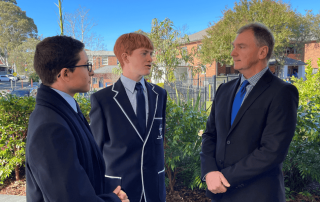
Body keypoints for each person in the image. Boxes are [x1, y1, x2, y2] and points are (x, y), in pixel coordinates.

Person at [200, 23, 299, 202]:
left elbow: (272, 151)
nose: (233, 53)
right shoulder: (224, 89)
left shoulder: (282, 92)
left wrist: (224, 177)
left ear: (262, 52)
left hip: (258, 195)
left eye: (241, 47)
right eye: (234, 47)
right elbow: (209, 135)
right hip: (220, 195)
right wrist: (209, 172)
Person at [26, 36, 129, 202]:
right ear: (65, 73)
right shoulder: (50, 126)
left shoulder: (65, 110)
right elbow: (70, 197)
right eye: (87, 65)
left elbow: (80, 173)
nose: (92, 72)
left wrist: (111, 191)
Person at [90, 33, 167, 202]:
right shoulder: (103, 100)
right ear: (125, 57)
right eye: (144, 53)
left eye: (151, 53)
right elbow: (95, 152)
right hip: (120, 191)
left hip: (154, 188)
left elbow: (158, 138)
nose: (150, 59)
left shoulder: (159, 94)